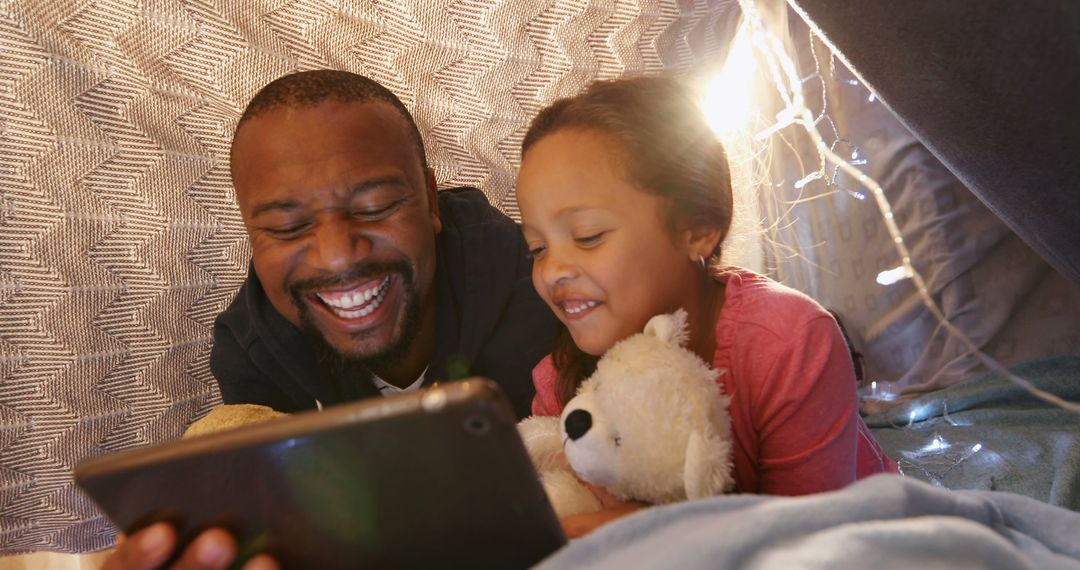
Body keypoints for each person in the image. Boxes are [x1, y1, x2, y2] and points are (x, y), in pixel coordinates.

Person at [103, 69, 558, 569]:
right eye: (288, 226)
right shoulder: (254, 353)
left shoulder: (541, 283)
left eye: (375, 207)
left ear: (430, 200)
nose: (338, 256)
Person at [514, 75, 898, 537]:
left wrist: (643, 529)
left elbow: (811, 540)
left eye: (587, 237)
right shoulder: (562, 381)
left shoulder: (789, 344)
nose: (552, 269)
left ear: (698, 228)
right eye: (537, 248)